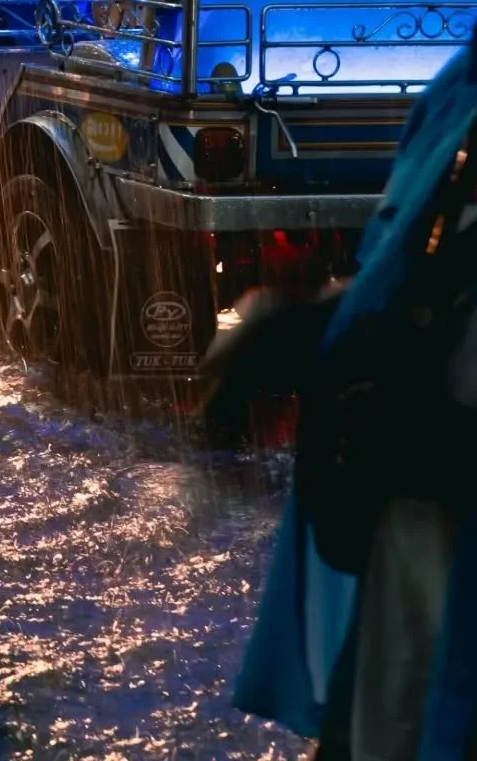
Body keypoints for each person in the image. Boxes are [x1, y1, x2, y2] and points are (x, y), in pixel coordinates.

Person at [207, 40, 477, 759]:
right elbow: (415, 266)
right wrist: (317, 321)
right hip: (407, 576)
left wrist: (430, 436)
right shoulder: (461, 89)